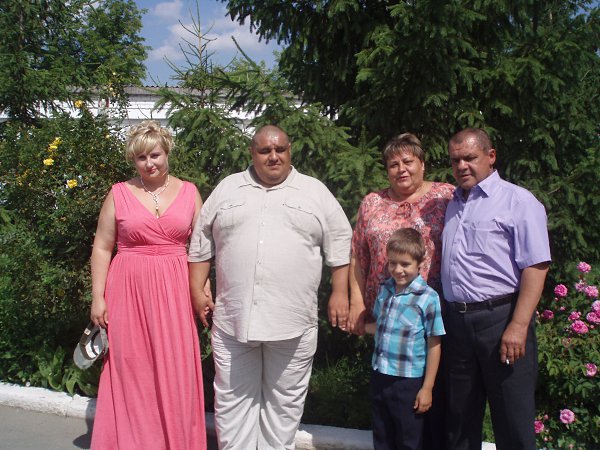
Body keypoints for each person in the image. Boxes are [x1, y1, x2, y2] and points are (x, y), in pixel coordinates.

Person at [188, 125, 352, 450]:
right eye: (265, 150)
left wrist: (340, 292)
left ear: (290, 151)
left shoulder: (314, 192)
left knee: (283, 409)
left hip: (293, 324)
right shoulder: (228, 188)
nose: (273, 156)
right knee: (232, 406)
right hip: (233, 324)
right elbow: (201, 241)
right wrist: (196, 290)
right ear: (253, 153)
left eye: (280, 149)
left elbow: (340, 240)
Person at [89, 120, 207, 450]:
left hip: (175, 289)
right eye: (141, 158)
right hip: (128, 290)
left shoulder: (190, 192)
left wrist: (203, 287)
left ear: (167, 153)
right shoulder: (118, 193)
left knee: (175, 369)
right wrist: (98, 296)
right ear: (134, 160)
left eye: (154, 155)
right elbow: (102, 246)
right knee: (132, 369)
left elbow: (203, 248)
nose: (149, 163)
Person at [441, 128, 551, 450]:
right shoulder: (452, 204)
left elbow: (536, 266)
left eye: (469, 158)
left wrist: (518, 325)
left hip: (501, 321)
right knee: (459, 422)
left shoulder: (518, 201)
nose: (462, 166)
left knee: (512, 421)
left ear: (491, 156)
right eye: (455, 160)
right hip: (457, 325)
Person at [348, 133, 454, 334]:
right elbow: (358, 257)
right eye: (394, 165)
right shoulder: (372, 202)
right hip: (385, 313)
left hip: (435, 314)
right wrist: (356, 302)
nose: (401, 169)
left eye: (408, 162)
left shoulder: (446, 197)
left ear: (422, 164)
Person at [364, 228, 445, 450]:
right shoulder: (385, 290)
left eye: (405, 264)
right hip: (380, 375)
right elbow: (381, 327)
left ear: (420, 263)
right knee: (382, 436)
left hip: (408, 382)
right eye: (392, 263)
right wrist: (357, 328)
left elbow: (434, 344)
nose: (398, 270)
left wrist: (427, 388)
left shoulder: (428, 298)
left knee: (409, 440)